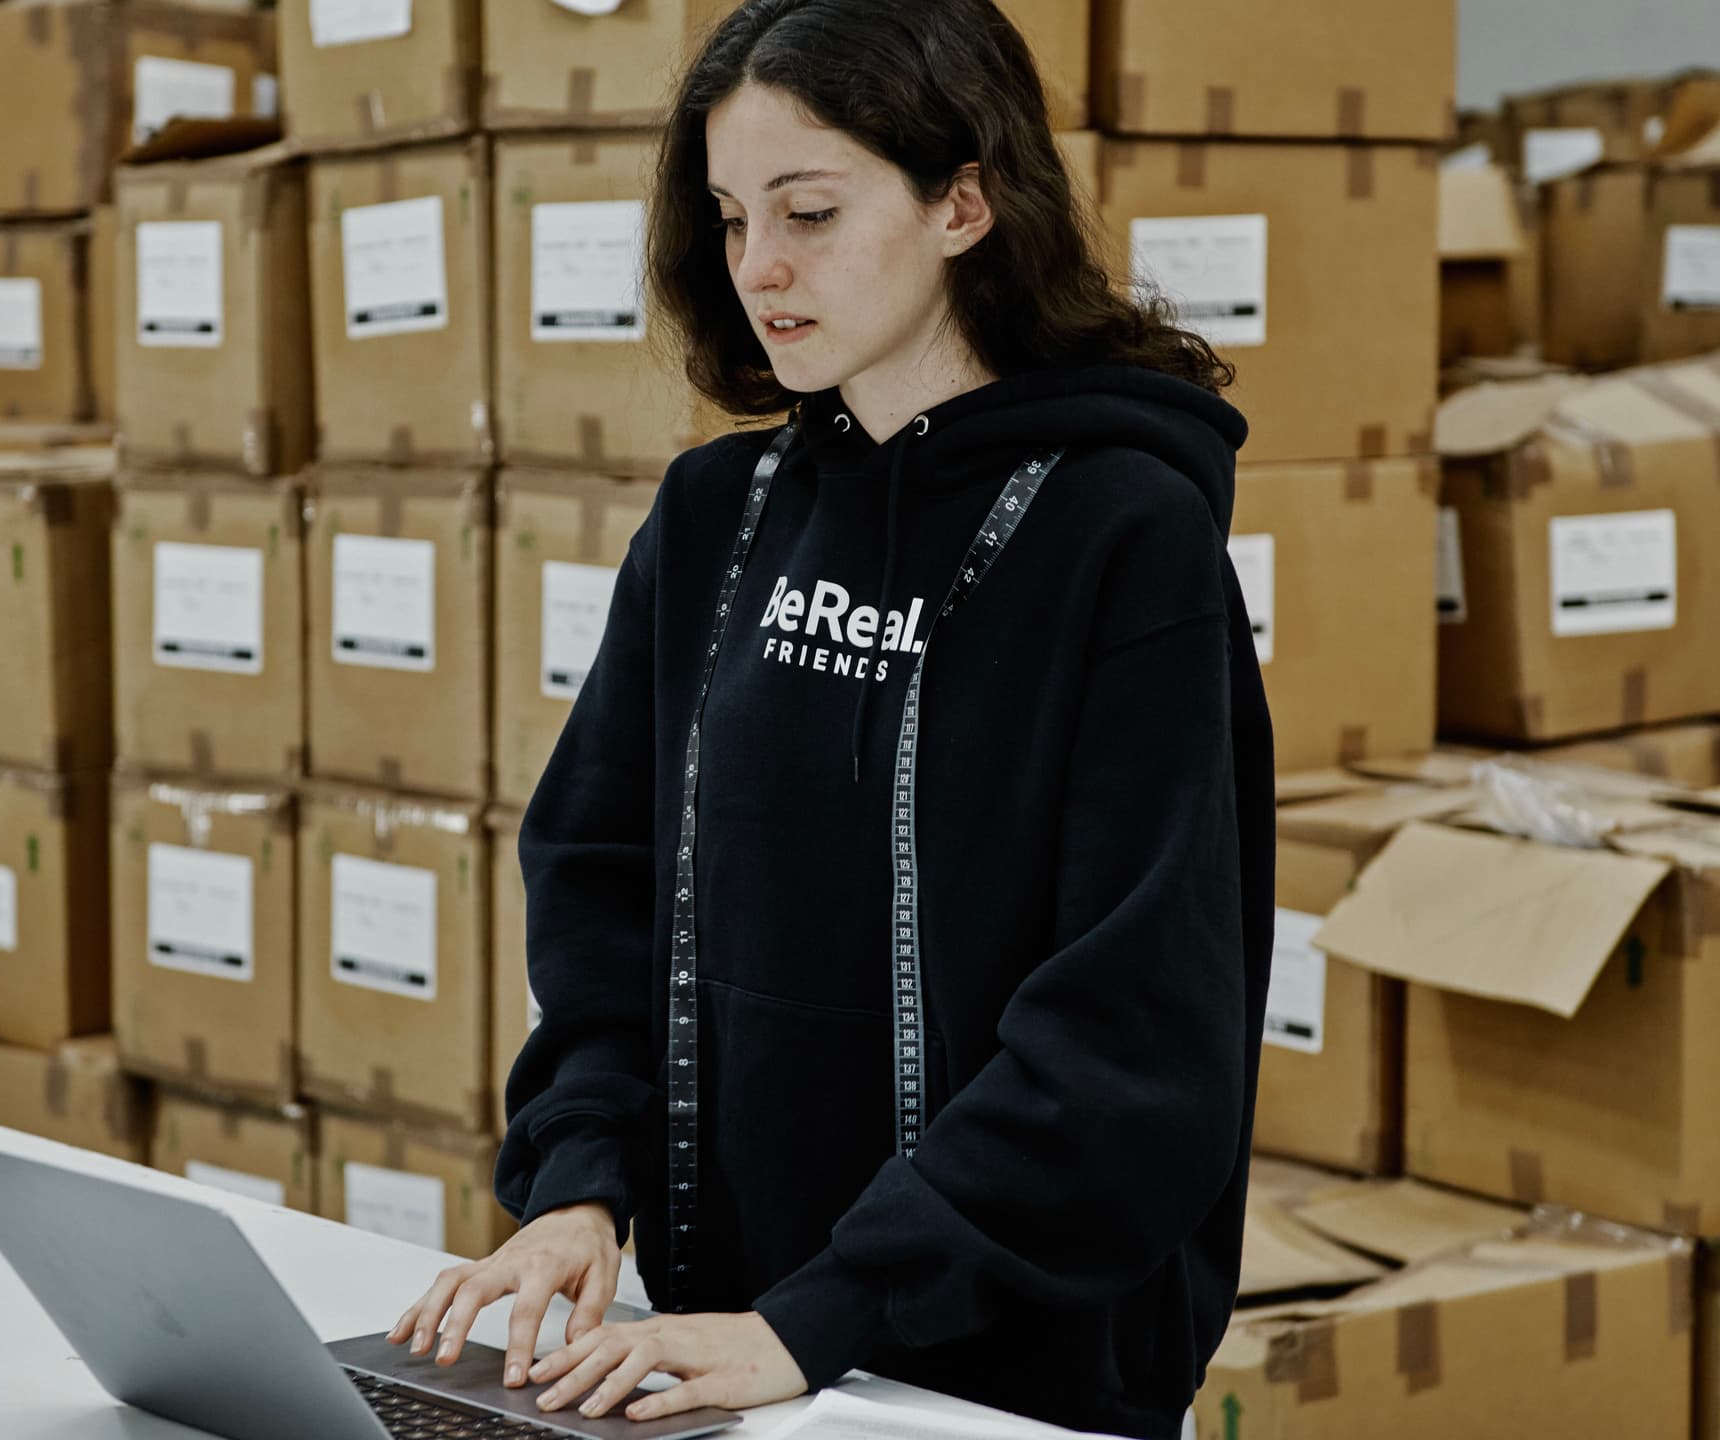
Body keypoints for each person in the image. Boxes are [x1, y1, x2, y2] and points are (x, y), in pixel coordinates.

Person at [387, 2, 1274, 1436]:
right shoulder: (713, 520)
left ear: (963, 203)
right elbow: (604, 895)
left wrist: (826, 1316)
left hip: (1002, 1376)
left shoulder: (1127, 540)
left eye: (810, 210)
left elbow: (1133, 1038)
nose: (761, 269)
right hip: (705, 1353)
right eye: (733, 219)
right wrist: (581, 1187)